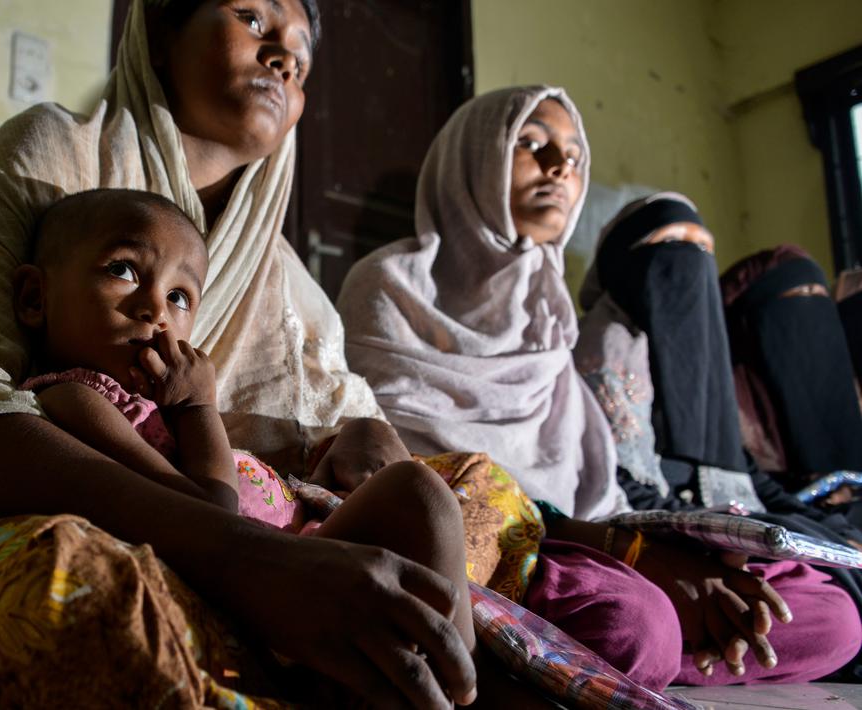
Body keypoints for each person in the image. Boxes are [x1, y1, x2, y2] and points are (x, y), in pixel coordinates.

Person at [0, 1, 488, 707]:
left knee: (463, 493)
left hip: (252, 532)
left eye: (301, 58)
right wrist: (251, 561)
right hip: (43, 522)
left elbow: (330, 415)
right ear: (156, 34)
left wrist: (364, 428)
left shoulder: (278, 273)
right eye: (252, 17)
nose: (282, 57)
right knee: (79, 589)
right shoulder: (55, 157)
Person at [337, 86, 858, 687]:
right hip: (492, 546)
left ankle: (619, 659)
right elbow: (406, 470)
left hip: (599, 532)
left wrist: (674, 555)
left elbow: (601, 488)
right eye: (530, 145)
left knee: (834, 617)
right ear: (472, 158)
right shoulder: (389, 287)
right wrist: (633, 555)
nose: (559, 167)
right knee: (634, 625)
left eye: (574, 157)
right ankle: (644, 650)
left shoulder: (551, 311)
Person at [15, 185, 473, 648]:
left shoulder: (155, 401)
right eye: (123, 269)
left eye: (178, 297)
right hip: (270, 580)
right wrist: (197, 406)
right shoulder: (75, 397)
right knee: (417, 495)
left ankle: (463, 673)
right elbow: (213, 513)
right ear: (35, 298)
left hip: (300, 548)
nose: (155, 309)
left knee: (429, 510)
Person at [571, 192, 862, 682]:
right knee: (834, 621)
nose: (691, 263)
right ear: (623, 262)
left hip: (737, 540)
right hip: (659, 550)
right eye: (671, 245)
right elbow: (614, 493)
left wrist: (827, 532)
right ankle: (648, 656)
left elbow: (749, 479)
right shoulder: (598, 357)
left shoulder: (703, 369)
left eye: (702, 250)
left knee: (838, 589)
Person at [719, 245, 862, 483]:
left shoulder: (831, 390)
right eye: (800, 294)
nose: (814, 315)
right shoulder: (725, 401)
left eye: (819, 296)